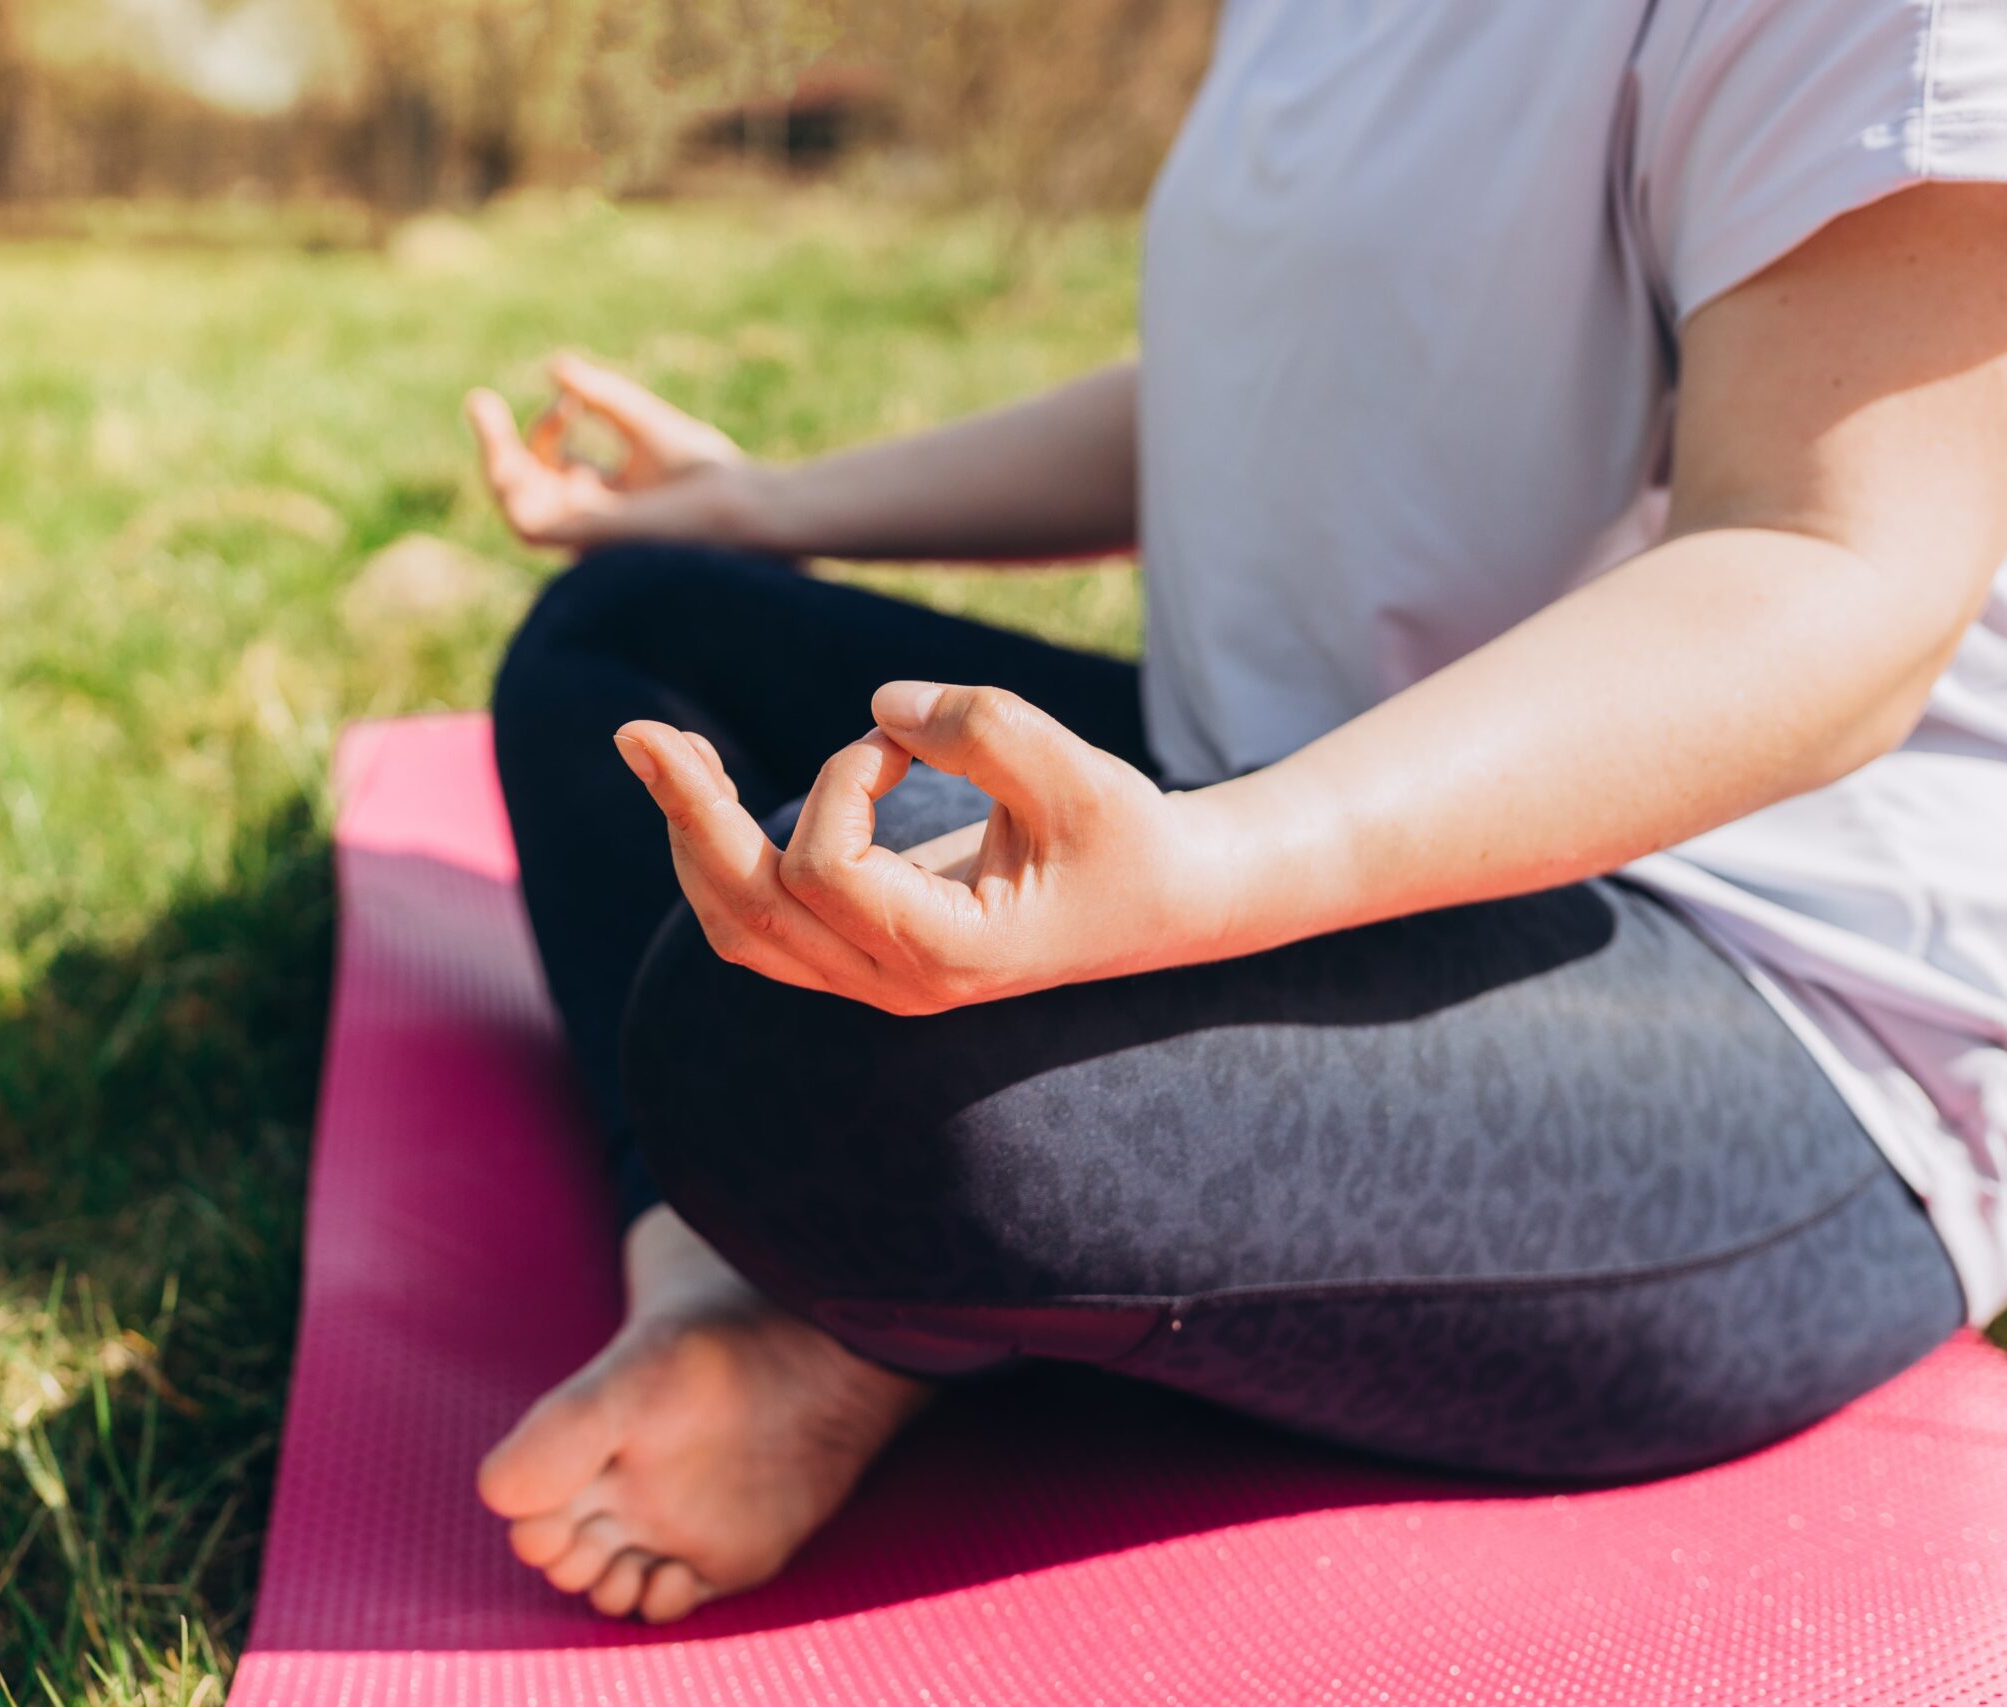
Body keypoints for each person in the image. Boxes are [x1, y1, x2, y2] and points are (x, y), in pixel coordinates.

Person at [462, 0, 2007, 1628]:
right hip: (1278, 792)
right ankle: (721, 1276)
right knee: (634, 634)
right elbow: (1270, 381)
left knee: (790, 1036)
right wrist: (759, 510)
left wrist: (1214, 869)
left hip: (1765, 989)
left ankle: (839, 1314)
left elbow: (1837, 577)